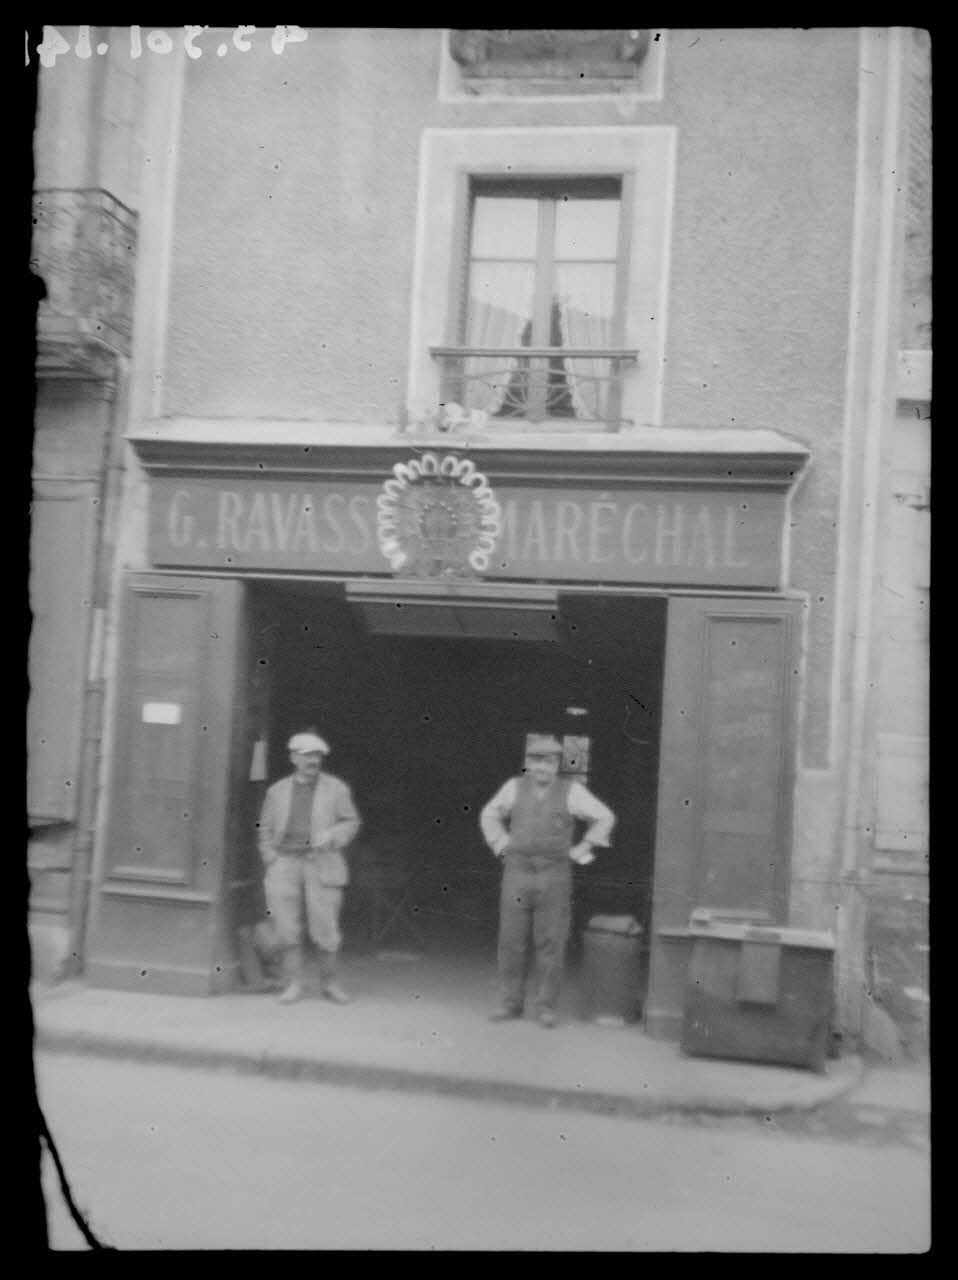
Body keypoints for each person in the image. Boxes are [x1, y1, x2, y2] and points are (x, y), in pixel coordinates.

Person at [479, 733, 615, 1028]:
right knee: (511, 939)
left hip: (554, 873)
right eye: (537, 761)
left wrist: (584, 847)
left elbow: (605, 817)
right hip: (517, 871)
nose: (542, 768)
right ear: (527, 763)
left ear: (557, 765)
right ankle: (509, 1002)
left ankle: (546, 1007)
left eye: (549, 762)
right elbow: (489, 814)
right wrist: (501, 844)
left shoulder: (572, 791)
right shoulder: (513, 788)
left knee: (551, 941)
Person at [257, 731, 361, 1004]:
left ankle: (330, 984)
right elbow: (264, 827)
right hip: (284, 862)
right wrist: (270, 856)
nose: (312, 761)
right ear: (293, 758)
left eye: (317, 755)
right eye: (306, 755)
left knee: (325, 927)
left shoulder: (337, 789)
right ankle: (293, 984)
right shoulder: (276, 791)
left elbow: (351, 822)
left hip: (322, 863)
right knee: (285, 926)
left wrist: (333, 835)